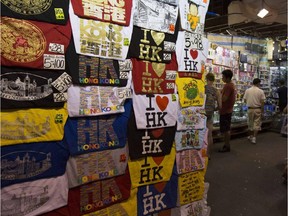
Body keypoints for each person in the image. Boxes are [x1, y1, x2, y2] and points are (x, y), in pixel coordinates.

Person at [243, 78, 266, 144]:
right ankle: (254, 138)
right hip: (258, 109)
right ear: (258, 83)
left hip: (250, 109)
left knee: (250, 123)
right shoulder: (261, 91)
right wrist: (262, 111)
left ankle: (250, 136)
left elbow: (244, 100)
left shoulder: (247, 90)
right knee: (256, 124)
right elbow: (262, 102)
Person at [204, 73, 222, 159]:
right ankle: (208, 154)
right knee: (209, 134)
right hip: (210, 114)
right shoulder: (216, 90)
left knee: (201, 133)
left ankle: (200, 153)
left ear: (206, 79)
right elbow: (220, 106)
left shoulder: (202, 88)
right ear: (214, 80)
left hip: (201, 113)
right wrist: (214, 109)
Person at [218, 69, 236, 152]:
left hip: (225, 111)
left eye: (223, 77)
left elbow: (224, 98)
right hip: (227, 110)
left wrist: (218, 97)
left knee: (226, 130)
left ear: (227, 77)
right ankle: (226, 144)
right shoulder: (230, 85)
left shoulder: (228, 86)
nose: (222, 78)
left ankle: (227, 146)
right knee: (226, 129)